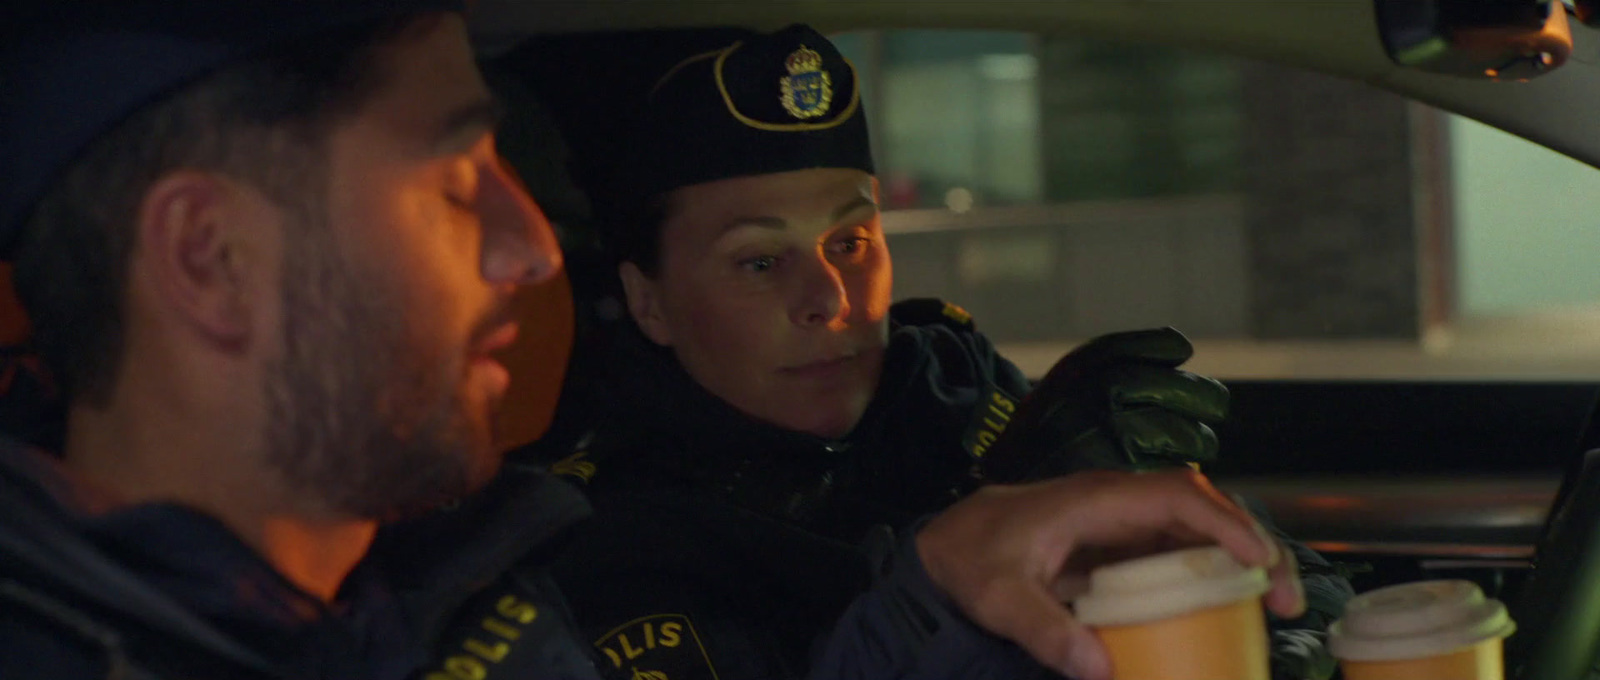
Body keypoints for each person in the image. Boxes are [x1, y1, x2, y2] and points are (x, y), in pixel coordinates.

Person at [0, 5, 1305, 680]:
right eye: (454, 183)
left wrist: (939, 595)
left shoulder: (440, 601)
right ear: (211, 260)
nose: (529, 251)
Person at [449, 23, 1350, 680]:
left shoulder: (949, 386)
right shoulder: (603, 537)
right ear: (650, 303)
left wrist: (1280, 621)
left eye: (851, 243)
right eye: (760, 261)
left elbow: (1280, 584)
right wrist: (991, 535)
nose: (831, 301)